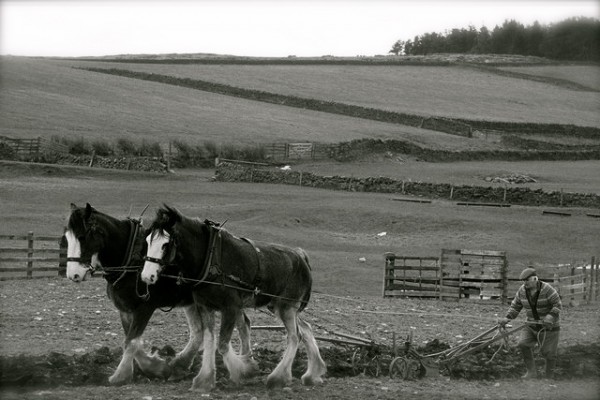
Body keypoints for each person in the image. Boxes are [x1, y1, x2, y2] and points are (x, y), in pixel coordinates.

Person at [497, 267, 562, 379]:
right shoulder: (522, 291)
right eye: (523, 281)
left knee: (549, 353)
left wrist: (550, 316)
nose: (525, 283)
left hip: (549, 327)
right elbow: (515, 306)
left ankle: (549, 377)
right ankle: (531, 372)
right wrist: (507, 318)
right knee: (523, 344)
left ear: (535, 279)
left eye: (527, 280)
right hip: (531, 325)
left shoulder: (547, 289)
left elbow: (558, 305)